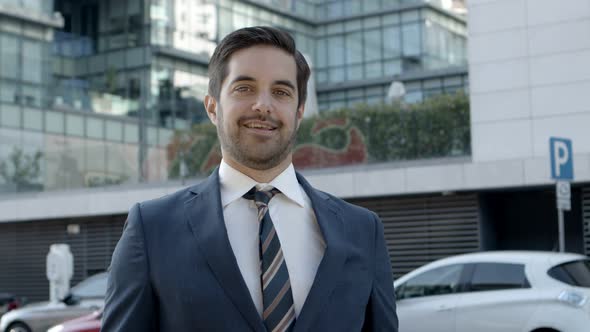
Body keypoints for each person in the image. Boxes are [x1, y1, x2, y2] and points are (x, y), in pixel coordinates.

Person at [102, 26, 398, 332]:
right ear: (212, 107)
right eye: (244, 88)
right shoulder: (151, 229)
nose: (263, 105)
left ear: (299, 112)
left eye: (281, 92)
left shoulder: (363, 231)